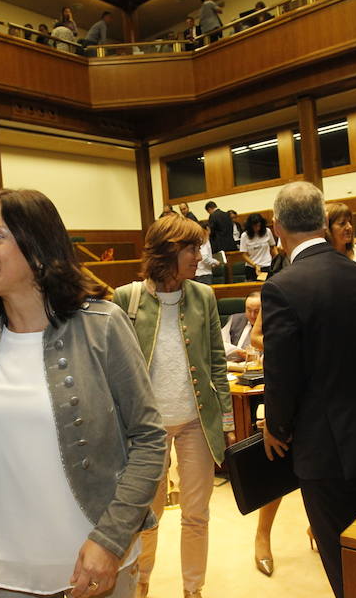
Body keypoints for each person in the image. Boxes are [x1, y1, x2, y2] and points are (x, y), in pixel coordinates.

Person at [0, 189, 167, 598]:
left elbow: (149, 439)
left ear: (38, 247)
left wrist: (111, 540)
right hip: (11, 564)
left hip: (94, 559)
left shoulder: (102, 325)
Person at [262, 181, 356, 598]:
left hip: (327, 449)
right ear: (323, 222)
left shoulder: (283, 286)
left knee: (343, 563)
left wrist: (276, 425)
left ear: (277, 227)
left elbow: (281, 371)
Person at [112, 215, 234, 598]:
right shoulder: (125, 298)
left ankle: (193, 589)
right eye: (192, 248)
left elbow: (217, 362)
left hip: (196, 421)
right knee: (146, 515)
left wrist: (226, 421)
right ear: (168, 250)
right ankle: (140, 582)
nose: (200, 256)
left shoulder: (204, 296)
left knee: (197, 515)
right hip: (145, 430)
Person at [221, 291, 260, 362]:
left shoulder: (272, 324)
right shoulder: (235, 319)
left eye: (257, 311)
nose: (252, 315)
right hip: (235, 366)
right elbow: (220, 343)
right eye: (249, 310)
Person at [238, 212, 276, 281]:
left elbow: (273, 247)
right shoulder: (244, 235)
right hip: (252, 267)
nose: (257, 228)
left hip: (267, 265)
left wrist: (277, 260)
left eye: (259, 226)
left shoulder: (267, 231)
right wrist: (255, 265)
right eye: (255, 226)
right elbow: (243, 254)